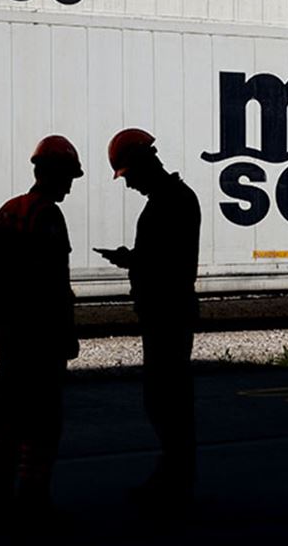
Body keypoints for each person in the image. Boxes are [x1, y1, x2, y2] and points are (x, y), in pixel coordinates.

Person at [94, 128, 201, 507]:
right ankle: (175, 474)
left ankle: (174, 478)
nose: (128, 184)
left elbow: (168, 264)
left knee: (165, 398)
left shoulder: (171, 202)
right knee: (167, 398)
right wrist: (135, 260)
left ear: (141, 164)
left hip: (167, 313)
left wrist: (132, 260)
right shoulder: (174, 198)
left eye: (127, 175)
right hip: (166, 312)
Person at [0, 135, 83, 522]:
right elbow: (54, 284)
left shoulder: (8, 211)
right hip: (41, 337)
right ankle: (33, 500)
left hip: (11, 335)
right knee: (43, 422)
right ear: (53, 174)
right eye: (68, 177)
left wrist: (0, 323)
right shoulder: (48, 217)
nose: (70, 186)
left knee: (5, 419)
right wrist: (67, 333)